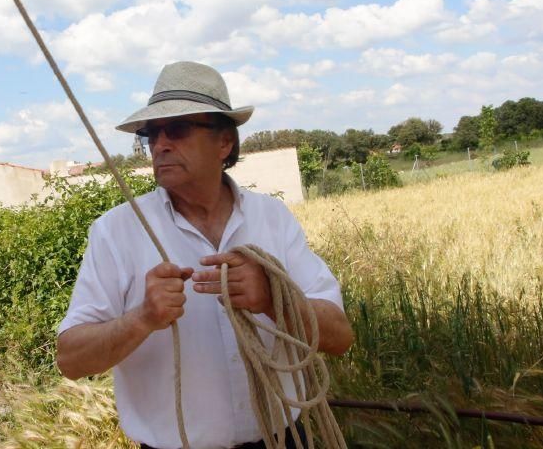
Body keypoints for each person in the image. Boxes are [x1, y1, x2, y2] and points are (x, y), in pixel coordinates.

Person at [57, 61, 354, 449]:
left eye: (177, 130)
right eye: (151, 134)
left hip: (283, 439)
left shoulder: (273, 218)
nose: (159, 145)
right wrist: (142, 318)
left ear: (224, 142)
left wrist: (272, 299)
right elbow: (71, 360)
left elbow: (339, 336)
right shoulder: (116, 231)